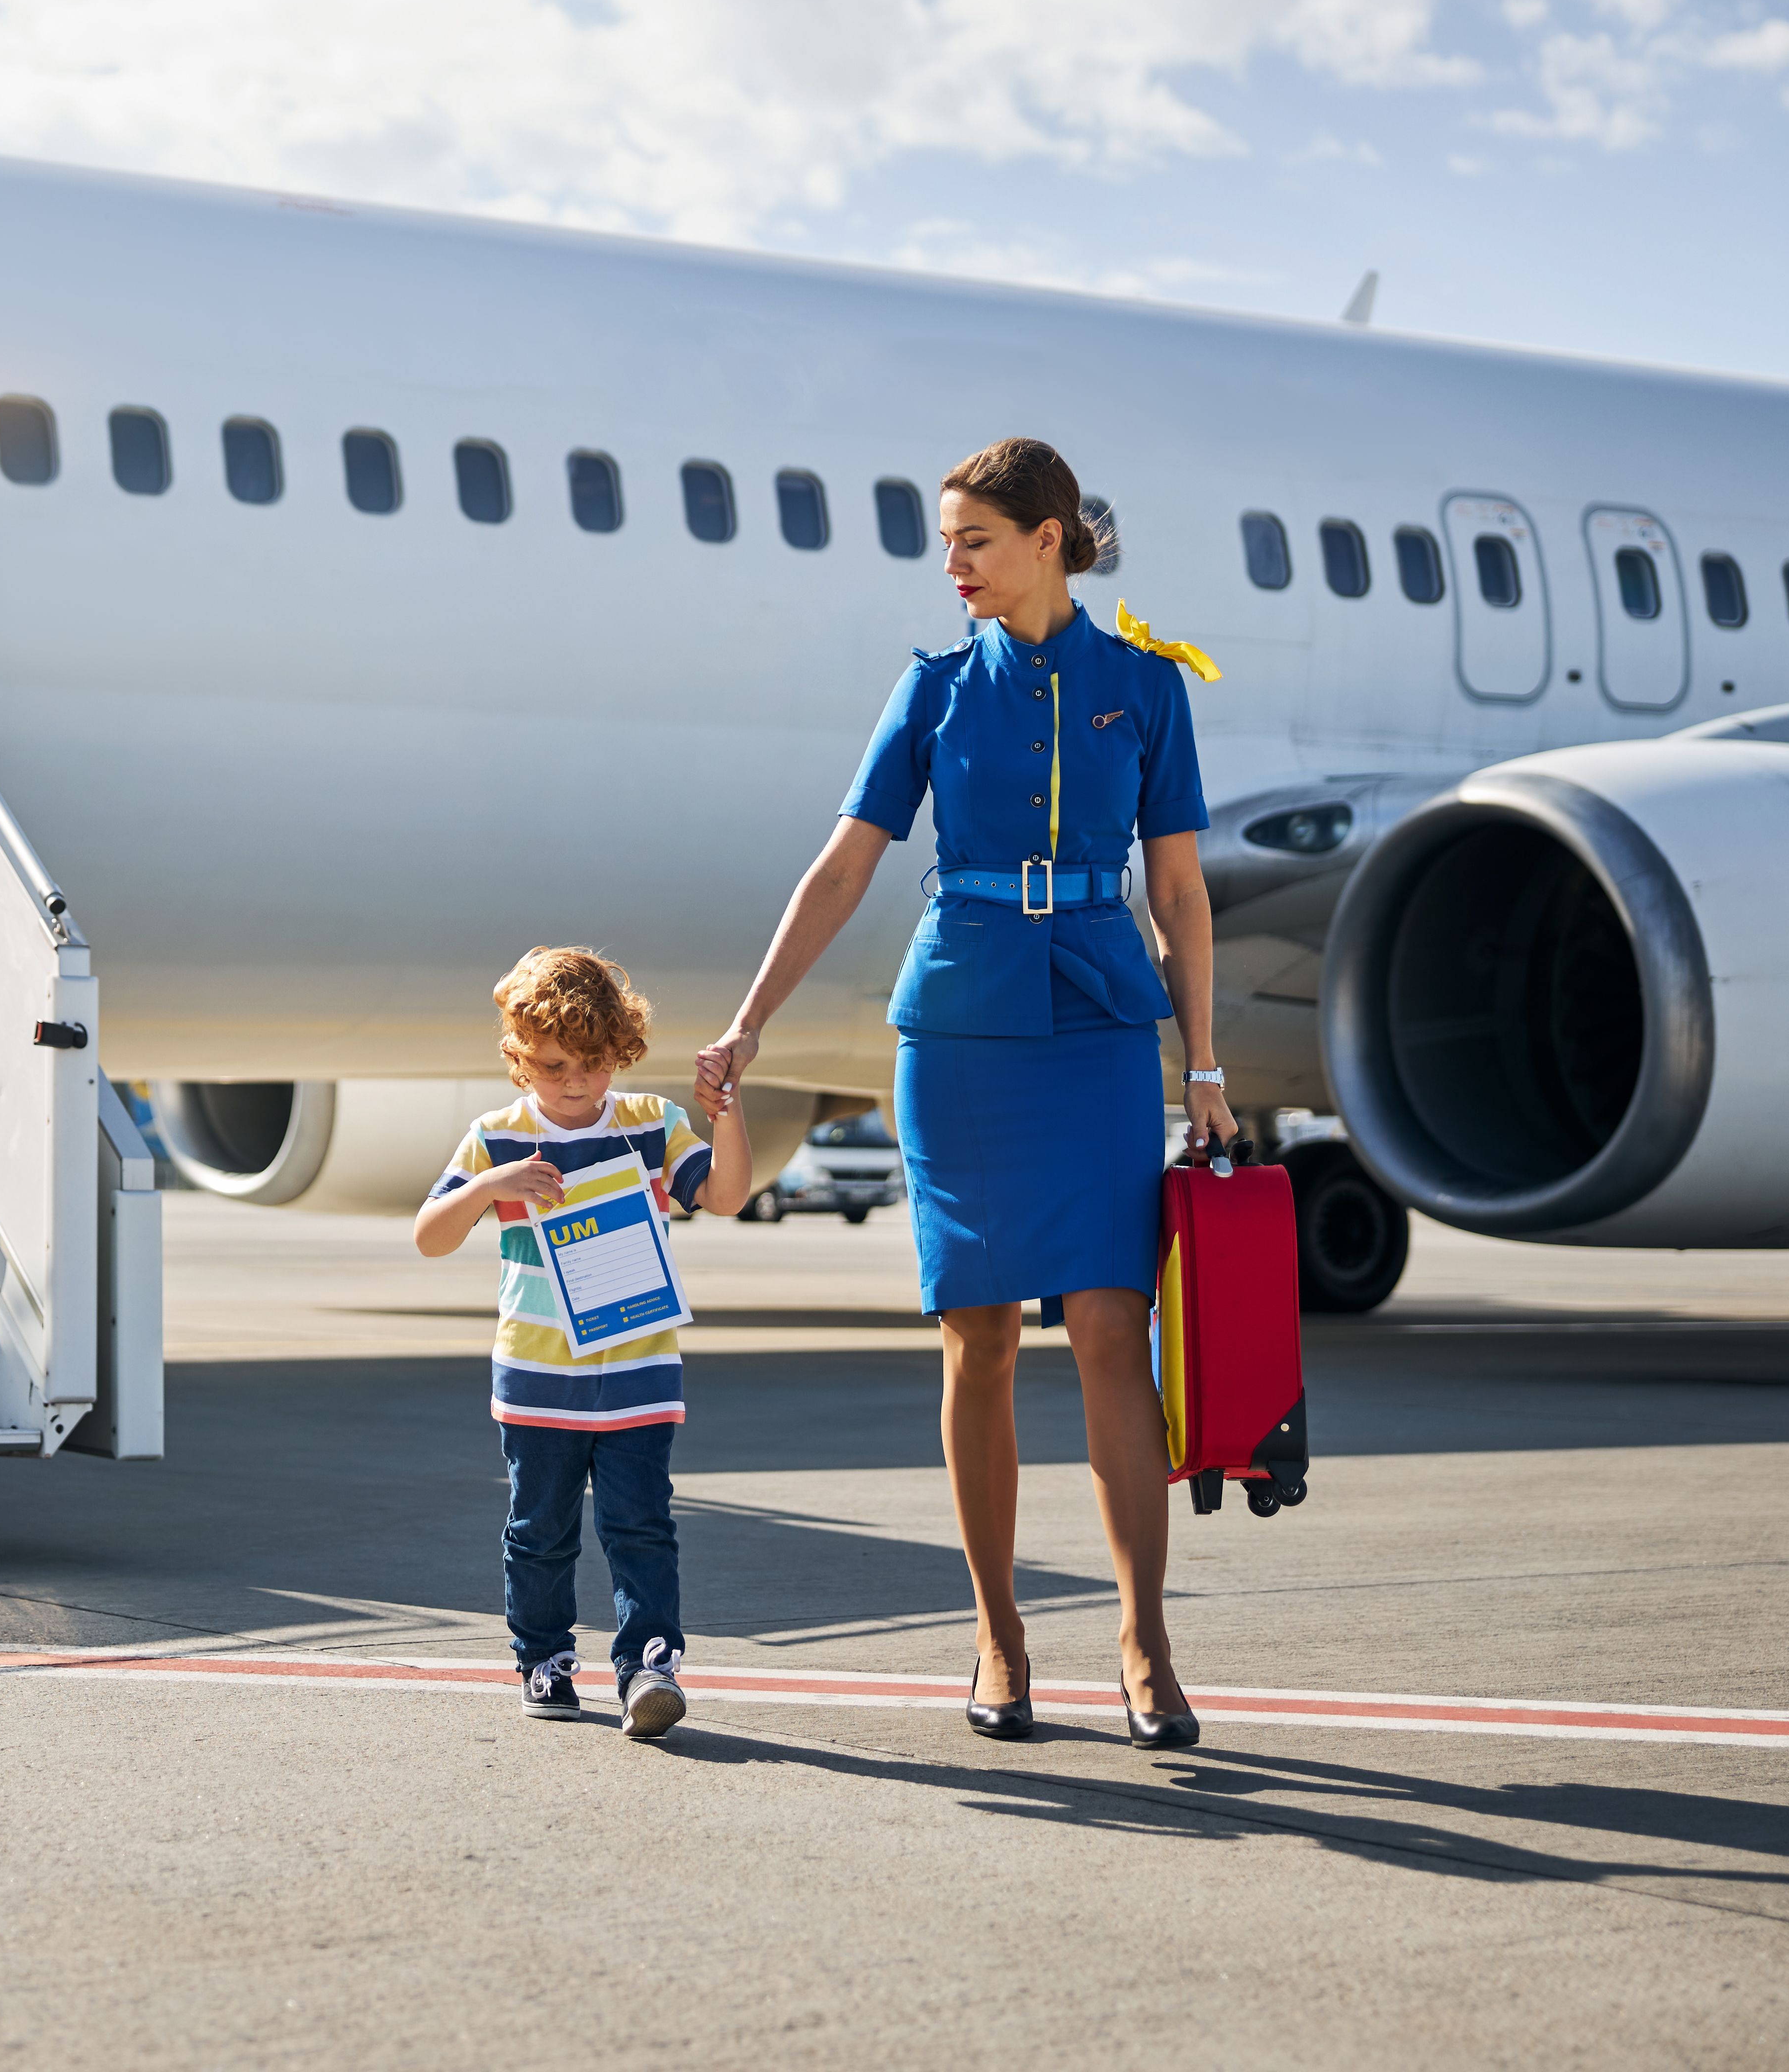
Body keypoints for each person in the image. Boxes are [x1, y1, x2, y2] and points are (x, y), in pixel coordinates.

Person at [693, 437, 1237, 1752]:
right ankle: (998, 1632)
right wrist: (748, 1021)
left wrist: (1205, 1065)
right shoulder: (933, 690)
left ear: (1050, 539)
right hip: (960, 1035)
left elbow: (1176, 893)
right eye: (946, 544)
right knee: (978, 1337)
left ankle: (1146, 1639)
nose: (954, 568)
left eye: (975, 542)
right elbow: (842, 868)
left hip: (1102, 1028)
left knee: (1113, 1326)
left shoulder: (1147, 691)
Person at [416, 947, 751, 1739]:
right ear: (519, 1058)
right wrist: (490, 1188)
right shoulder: (496, 1138)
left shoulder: (650, 1126)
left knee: (643, 1528)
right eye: (557, 1065)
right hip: (538, 1377)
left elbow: (729, 1196)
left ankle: (649, 1666)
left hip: (639, 1371)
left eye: (597, 1064)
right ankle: (544, 1658)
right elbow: (430, 1238)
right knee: (540, 1532)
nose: (576, 1083)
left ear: (622, 1055)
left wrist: (725, 1112)